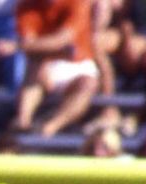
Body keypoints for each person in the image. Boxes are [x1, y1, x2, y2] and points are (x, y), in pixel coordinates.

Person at [13, 0, 98, 136]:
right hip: (45, 63)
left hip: (77, 63)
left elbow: (63, 39)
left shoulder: (77, 3)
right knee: (35, 65)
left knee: (88, 83)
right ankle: (23, 120)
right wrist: (41, 53)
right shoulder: (27, 6)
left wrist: (16, 47)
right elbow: (28, 42)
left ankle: (50, 127)